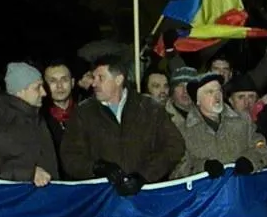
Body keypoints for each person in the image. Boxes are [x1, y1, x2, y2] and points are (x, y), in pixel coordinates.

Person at [61, 55, 185, 192]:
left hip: (146, 194)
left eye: (101, 78)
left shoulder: (149, 108)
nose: (94, 83)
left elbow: (175, 147)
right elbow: (70, 156)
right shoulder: (83, 113)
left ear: (118, 79)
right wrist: (96, 167)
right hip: (103, 196)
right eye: (93, 77)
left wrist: (144, 175)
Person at [171, 72, 267, 180]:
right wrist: (202, 167)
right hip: (208, 190)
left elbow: (262, 147)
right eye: (210, 92)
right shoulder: (183, 131)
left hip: (240, 187)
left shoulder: (242, 122)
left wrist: (251, 160)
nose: (217, 96)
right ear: (198, 100)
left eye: (219, 90)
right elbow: (178, 168)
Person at [0, 63, 58, 185]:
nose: (44, 93)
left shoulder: (36, 118)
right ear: (20, 91)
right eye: (37, 87)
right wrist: (29, 173)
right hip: (19, 196)